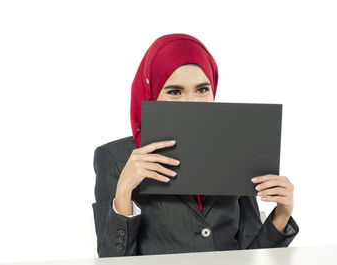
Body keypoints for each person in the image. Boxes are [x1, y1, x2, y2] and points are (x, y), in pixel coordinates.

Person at [92, 33, 299, 257]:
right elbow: (111, 259)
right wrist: (123, 192)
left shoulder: (236, 149)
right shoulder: (115, 157)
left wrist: (282, 213)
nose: (191, 102)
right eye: (174, 91)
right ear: (151, 94)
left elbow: (251, 255)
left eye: (202, 89)